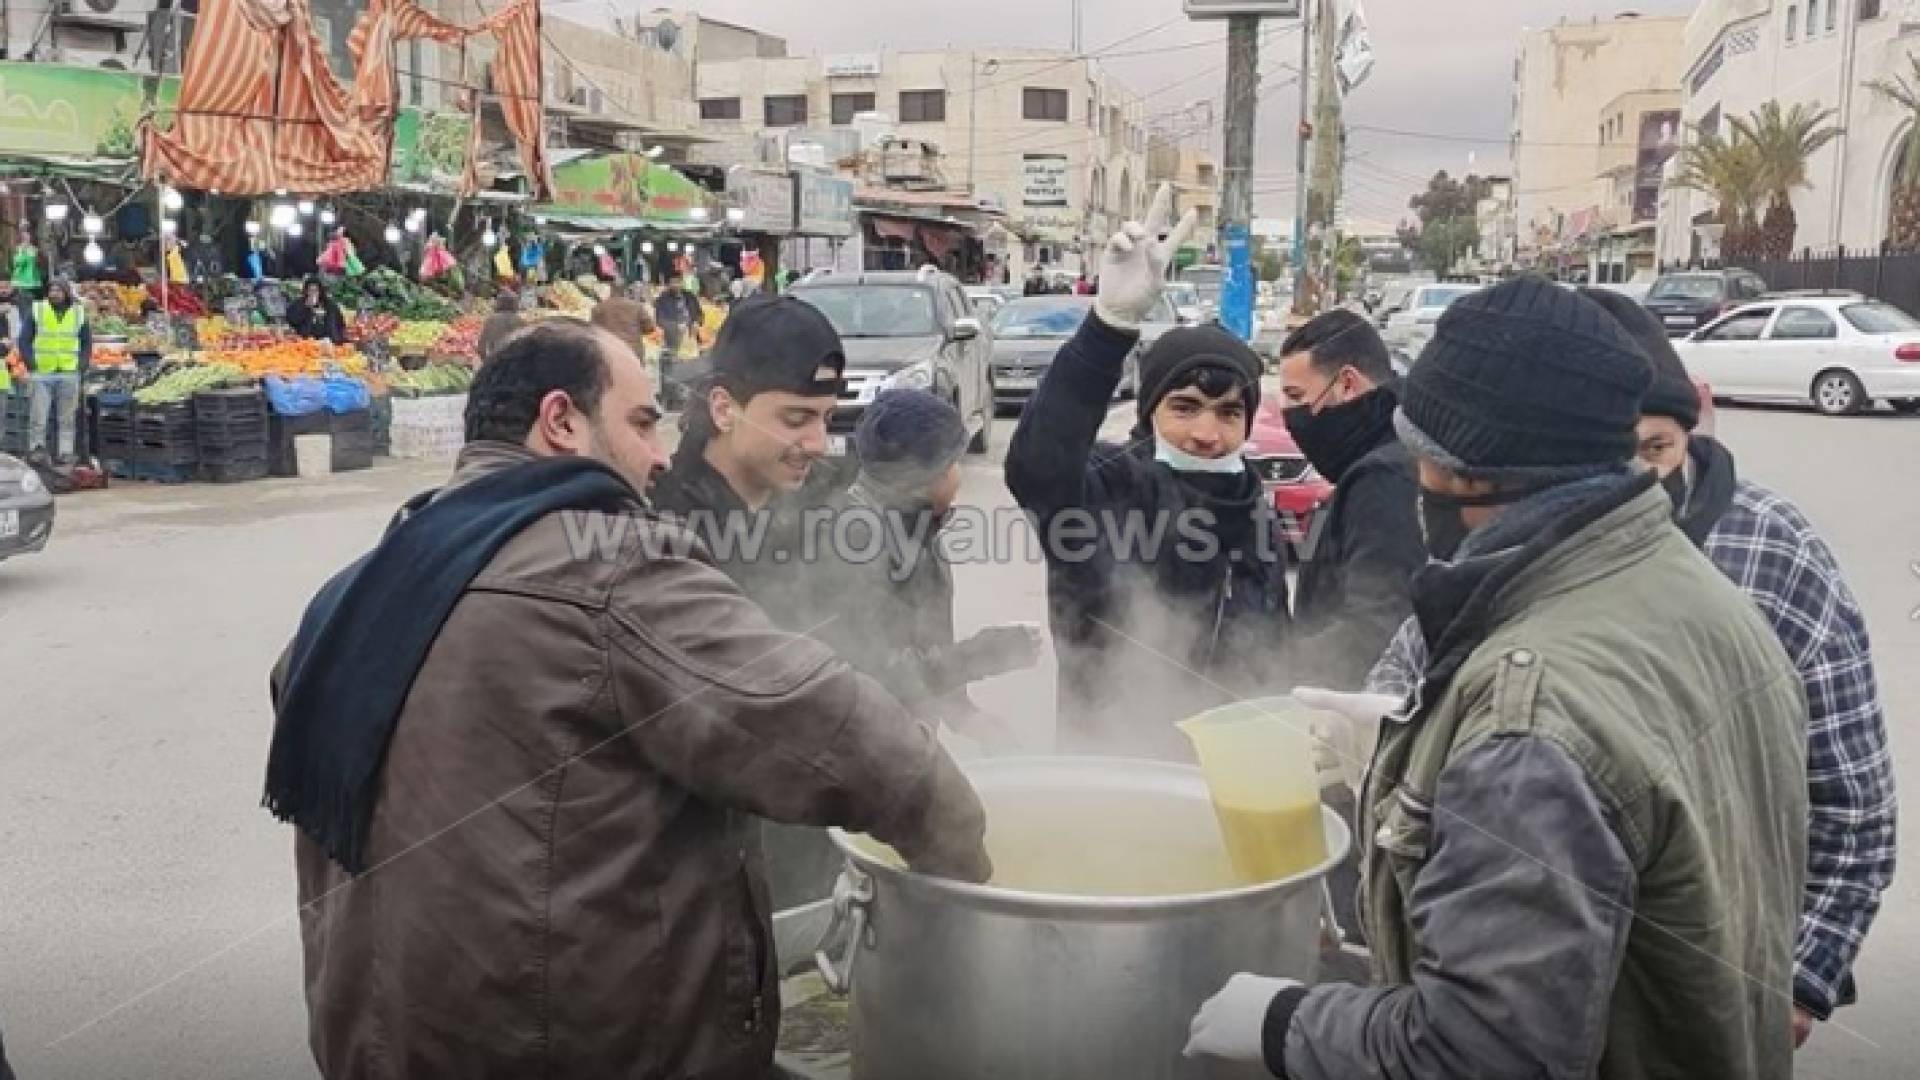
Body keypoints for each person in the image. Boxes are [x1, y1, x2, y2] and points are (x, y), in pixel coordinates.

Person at [265, 320, 989, 1080]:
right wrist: (963, 863)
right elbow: (828, 725)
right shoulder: (606, 565)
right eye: (641, 424)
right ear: (560, 421)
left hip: (373, 1047)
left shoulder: (354, 591)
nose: (658, 453)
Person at [1185, 277, 1809, 1080]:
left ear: (1468, 475)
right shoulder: (1698, 594)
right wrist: (1408, 748)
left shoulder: (1532, 719)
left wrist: (1285, 1021)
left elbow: (1481, 1051)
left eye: (1421, 458)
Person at [1006, 185, 1292, 759]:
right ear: (1150, 412)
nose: (1208, 433)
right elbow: (1038, 468)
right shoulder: (1110, 488)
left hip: (1235, 776)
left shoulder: (1253, 507)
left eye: (1229, 412)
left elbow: (1272, 647)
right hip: (1114, 775)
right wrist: (1107, 328)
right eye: (1184, 407)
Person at [809, 389, 1043, 740]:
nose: (958, 474)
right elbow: (875, 672)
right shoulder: (853, 542)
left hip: (908, 740)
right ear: (926, 476)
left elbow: (927, 638)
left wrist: (965, 716)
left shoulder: (919, 526)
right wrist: (982, 655)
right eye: (952, 464)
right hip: (861, 749)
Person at [650, 294, 842, 625]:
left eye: (827, 419)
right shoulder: (663, 535)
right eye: (795, 420)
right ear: (724, 410)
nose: (818, 445)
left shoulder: (825, 512)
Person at [1276, 310, 1423, 691]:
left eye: (1297, 397)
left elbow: (1377, 627)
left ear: (1346, 384)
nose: (1291, 416)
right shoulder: (1399, 447)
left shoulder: (1383, 476)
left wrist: (1267, 669)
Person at [19, 278, 91, 464]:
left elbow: (86, 341)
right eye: (51, 290)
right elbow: (24, 339)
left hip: (69, 371)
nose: (54, 293)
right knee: (38, 416)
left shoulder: (78, 312)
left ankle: (65, 453)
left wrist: (82, 364)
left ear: (66, 292)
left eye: (58, 290)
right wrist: (31, 365)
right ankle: (37, 450)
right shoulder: (38, 309)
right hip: (42, 372)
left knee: (67, 418)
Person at [286, 278, 346, 345]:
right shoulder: (299, 304)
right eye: (310, 290)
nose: (313, 293)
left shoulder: (330, 305)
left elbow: (340, 323)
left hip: (328, 341)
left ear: (320, 292)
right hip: (306, 342)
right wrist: (306, 308)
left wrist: (337, 338)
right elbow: (292, 320)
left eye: (315, 290)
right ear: (306, 291)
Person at [655, 276, 703, 360]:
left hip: (691, 331)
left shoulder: (690, 296)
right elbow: (659, 319)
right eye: (673, 283)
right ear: (669, 285)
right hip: (673, 334)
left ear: (682, 283)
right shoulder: (663, 299)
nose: (675, 285)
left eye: (677, 282)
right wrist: (676, 326)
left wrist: (697, 322)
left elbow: (699, 313)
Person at [476, 293, 522, 366]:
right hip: (514, 363)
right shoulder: (519, 321)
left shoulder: (491, 320)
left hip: (496, 361)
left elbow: (481, 348)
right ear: (515, 305)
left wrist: (486, 362)